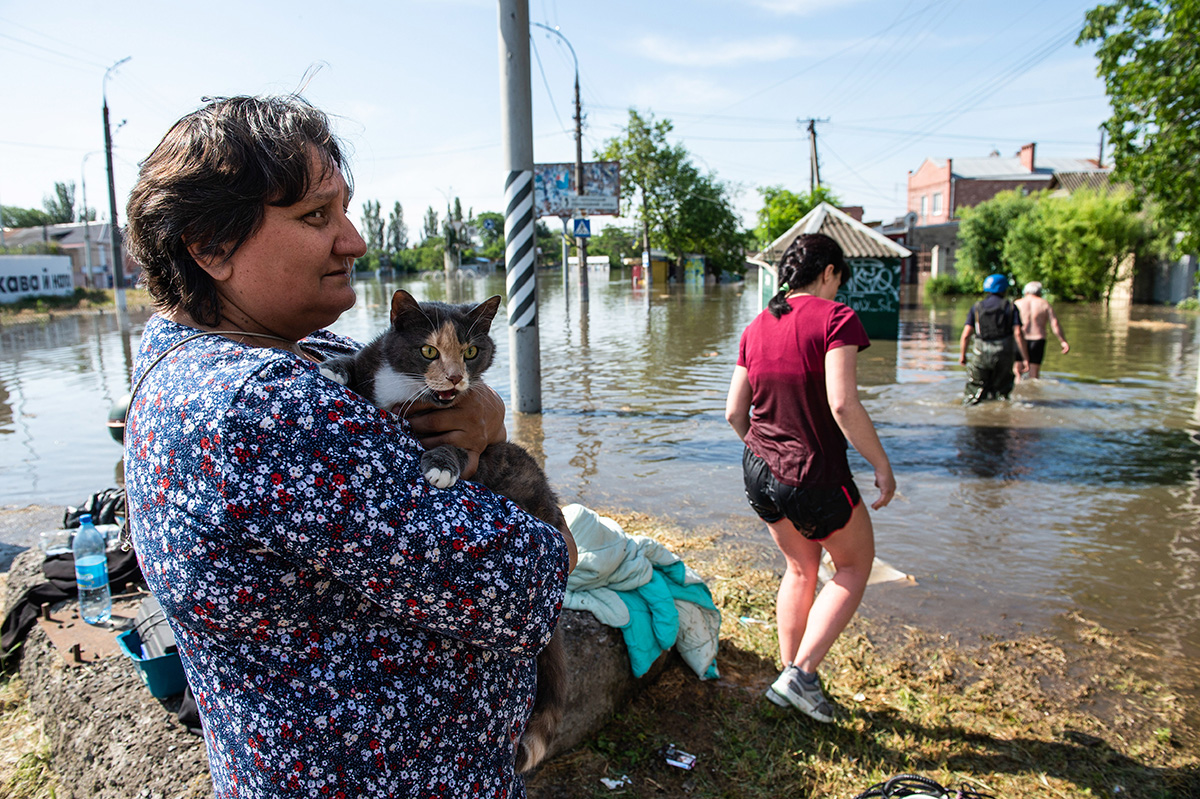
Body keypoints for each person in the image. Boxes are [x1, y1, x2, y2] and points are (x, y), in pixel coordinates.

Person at [122, 95, 574, 798]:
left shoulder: (208, 355)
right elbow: (542, 572)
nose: (355, 239)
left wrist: (483, 418)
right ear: (211, 246)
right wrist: (492, 441)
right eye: (315, 216)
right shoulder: (268, 408)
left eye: (346, 209)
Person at [725, 233, 895, 723]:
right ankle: (800, 677)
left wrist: (767, 452)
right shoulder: (837, 318)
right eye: (838, 279)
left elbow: (735, 411)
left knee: (800, 568)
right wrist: (882, 466)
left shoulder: (756, 326)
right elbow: (842, 404)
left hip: (759, 468)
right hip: (813, 473)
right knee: (854, 567)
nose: (839, 290)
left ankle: (790, 673)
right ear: (828, 272)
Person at [959, 273, 1030, 404]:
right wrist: (1025, 358)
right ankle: (1001, 417)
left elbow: (966, 334)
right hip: (1004, 354)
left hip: (980, 354)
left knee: (975, 391)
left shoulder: (977, 307)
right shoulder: (1011, 307)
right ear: (1004, 289)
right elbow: (1018, 333)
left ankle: (972, 417)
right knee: (1002, 392)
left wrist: (963, 355)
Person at [1013, 280, 1070, 380]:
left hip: (1020, 339)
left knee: (1017, 371)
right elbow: (1054, 323)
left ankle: (1018, 391)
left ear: (1026, 292)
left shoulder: (1017, 303)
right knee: (1034, 374)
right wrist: (1063, 341)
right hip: (1037, 339)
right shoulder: (1044, 304)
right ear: (1039, 292)